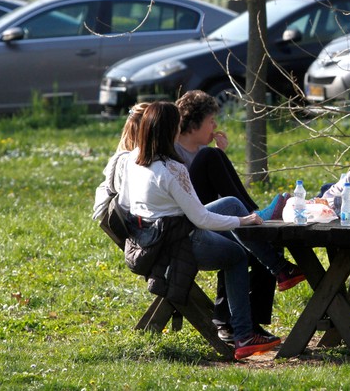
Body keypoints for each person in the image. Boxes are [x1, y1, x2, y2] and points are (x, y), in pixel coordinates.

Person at [118, 101, 281, 360]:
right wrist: (242, 222)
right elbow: (201, 219)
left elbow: (126, 204)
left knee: (231, 203)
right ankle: (243, 334)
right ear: (171, 130)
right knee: (237, 255)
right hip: (180, 244)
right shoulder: (172, 169)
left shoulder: (132, 161)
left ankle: (278, 268)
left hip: (151, 239)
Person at [174, 90, 304, 342]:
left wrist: (219, 154)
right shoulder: (174, 151)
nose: (215, 127)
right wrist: (216, 154)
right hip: (192, 226)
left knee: (256, 244)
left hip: (211, 219)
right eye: (211, 121)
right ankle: (257, 216)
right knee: (254, 236)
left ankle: (246, 324)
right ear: (194, 122)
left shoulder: (202, 152)